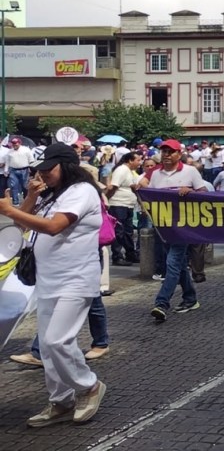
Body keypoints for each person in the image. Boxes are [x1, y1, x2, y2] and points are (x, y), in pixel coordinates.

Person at [0, 143, 107, 426]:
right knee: (47, 348)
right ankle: (60, 400)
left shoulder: (82, 192)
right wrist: (31, 197)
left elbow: (53, 226)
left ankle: (90, 386)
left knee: (56, 341)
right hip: (48, 279)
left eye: (49, 169)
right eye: (40, 169)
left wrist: (10, 211)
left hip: (76, 279)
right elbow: (23, 226)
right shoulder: (53, 194)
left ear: (67, 166)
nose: (43, 174)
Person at [138, 139, 206, 321]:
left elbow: (204, 193)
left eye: (171, 152)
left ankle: (162, 303)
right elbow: (145, 193)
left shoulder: (190, 171)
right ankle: (190, 298)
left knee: (173, 263)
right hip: (163, 226)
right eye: (164, 151)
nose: (167, 155)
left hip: (183, 227)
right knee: (179, 265)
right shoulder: (156, 174)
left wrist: (190, 192)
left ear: (178, 154)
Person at [105, 152, 142, 266]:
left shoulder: (129, 172)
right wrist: (106, 199)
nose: (139, 163)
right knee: (119, 231)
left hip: (128, 205)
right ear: (130, 160)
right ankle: (117, 256)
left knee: (128, 231)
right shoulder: (121, 170)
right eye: (138, 160)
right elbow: (113, 186)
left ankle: (130, 254)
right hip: (118, 204)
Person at [5, 137, 33, 206]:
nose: (14, 145)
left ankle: (26, 200)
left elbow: (31, 160)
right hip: (13, 170)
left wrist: (31, 169)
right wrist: (6, 170)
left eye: (16, 143)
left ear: (19, 143)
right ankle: (15, 202)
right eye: (13, 144)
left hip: (24, 170)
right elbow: (7, 162)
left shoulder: (26, 150)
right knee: (14, 186)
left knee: (25, 186)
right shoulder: (10, 151)